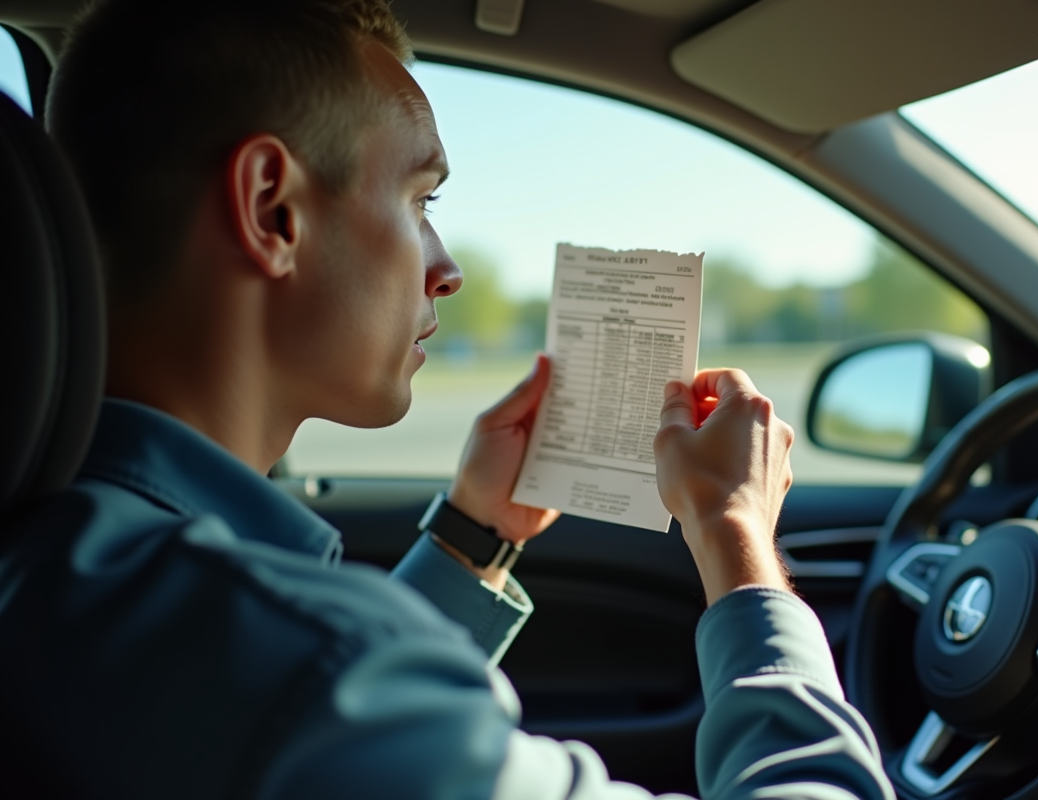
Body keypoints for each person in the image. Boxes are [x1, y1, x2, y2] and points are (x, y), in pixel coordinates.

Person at [0, 1, 895, 798]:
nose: (449, 268)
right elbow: (315, 690)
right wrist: (738, 543)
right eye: (420, 198)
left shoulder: (58, 565)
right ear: (272, 209)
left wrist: (477, 531)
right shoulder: (306, 669)